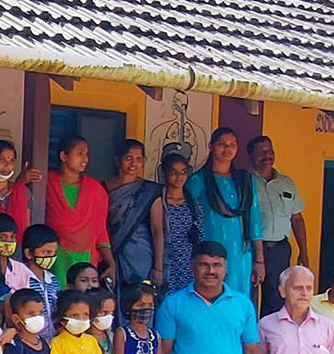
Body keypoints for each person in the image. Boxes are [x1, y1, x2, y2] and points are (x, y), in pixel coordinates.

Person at [187, 128, 264, 308]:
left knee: (239, 299)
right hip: (209, 251)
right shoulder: (197, 181)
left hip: (241, 253)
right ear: (211, 146)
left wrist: (259, 260)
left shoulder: (245, 180)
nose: (227, 149)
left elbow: (254, 220)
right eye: (222, 144)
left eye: (232, 145)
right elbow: (190, 220)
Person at [248, 136, 309, 314]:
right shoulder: (244, 181)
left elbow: (296, 219)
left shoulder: (287, 183)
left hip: (279, 250)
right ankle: (249, 339)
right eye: (261, 152)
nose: (266, 156)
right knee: (248, 296)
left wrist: (303, 251)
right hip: (250, 249)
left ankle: (268, 340)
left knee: (275, 298)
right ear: (251, 156)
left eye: (269, 151)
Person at [44, 135, 112, 286]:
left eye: (86, 154)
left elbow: (100, 230)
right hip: (56, 254)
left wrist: (111, 262)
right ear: (63, 156)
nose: (85, 158)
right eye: (79, 153)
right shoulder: (46, 183)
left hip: (86, 254)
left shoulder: (95, 189)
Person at [106, 141, 161, 287]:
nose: (133, 164)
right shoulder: (103, 187)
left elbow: (157, 230)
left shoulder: (149, 191)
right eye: (128, 158)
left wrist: (158, 267)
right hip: (109, 251)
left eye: (139, 159)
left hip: (140, 253)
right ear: (118, 160)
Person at [150, 151, 200, 295]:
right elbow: (156, 233)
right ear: (164, 174)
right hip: (166, 262)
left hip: (187, 264)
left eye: (183, 172)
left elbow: (200, 238)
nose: (179, 177)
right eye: (174, 172)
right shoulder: (158, 201)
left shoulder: (193, 205)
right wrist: (158, 267)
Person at [0, 140, 37, 233]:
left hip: (16, 244)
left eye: (11, 160)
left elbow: (26, 225)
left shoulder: (24, 191)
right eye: (2, 160)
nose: (7, 165)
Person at [20, 224, 62, 326]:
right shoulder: (20, 278)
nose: (51, 257)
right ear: (28, 253)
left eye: (54, 253)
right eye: (46, 252)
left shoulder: (53, 280)